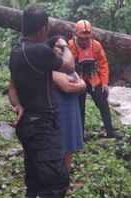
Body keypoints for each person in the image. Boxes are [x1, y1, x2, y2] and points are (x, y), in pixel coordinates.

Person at [7, 5, 75, 198]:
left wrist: (17, 104)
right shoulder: (39, 50)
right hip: (42, 127)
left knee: (35, 181)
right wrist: (65, 45)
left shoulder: (17, 50)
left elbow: (12, 87)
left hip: (28, 125)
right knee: (56, 183)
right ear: (43, 30)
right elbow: (69, 65)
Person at [68, 20, 123, 140]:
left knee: (103, 102)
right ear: (76, 35)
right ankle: (79, 135)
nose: (84, 41)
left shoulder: (96, 45)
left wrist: (104, 83)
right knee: (79, 107)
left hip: (94, 79)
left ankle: (110, 131)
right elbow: (66, 66)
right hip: (78, 80)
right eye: (82, 39)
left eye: (86, 39)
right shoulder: (70, 45)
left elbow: (103, 64)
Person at [47, 35, 86, 172]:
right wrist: (78, 85)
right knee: (59, 145)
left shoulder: (69, 68)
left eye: (63, 47)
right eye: (58, 47)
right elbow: (68, 86)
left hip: (71, 110)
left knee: (69, 146)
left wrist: (78, 84)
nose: (61, 50)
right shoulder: (50, 67)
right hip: (59, 110)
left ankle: (66, 176)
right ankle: (57, 175)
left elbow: (82, 83)